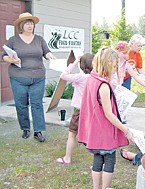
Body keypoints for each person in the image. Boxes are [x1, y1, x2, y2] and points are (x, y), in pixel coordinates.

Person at [77, 47, 134, 189]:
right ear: (107, 64)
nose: (116, 68)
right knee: (109, 160)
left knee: (97, 159)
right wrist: (126, 130)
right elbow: (108, 114)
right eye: (114, 65)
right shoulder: (103, 85)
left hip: (94, 130)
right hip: (104, 131)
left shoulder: (92, 78)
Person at [2, 12, 56, 142]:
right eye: (27, 23)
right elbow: (4, 55)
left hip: (38, 77)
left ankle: (38, 131)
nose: (30, 25)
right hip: (18, 78)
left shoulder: (39, 39)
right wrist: (11, 59)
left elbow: (46, 52)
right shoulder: (13, 40)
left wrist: (49, 55)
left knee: (37, 104)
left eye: (31, 23)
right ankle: (25, 128)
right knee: (21, 104)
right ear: (21, 25)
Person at [55, 53, 94, 165]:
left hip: (81, 111)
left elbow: (64, 75)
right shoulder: (96, 77)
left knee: (72, 134)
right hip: (92, 111)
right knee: (92, 136)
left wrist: (75, 62)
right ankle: (98, 162)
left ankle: (67, 158)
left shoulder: (80, 77)